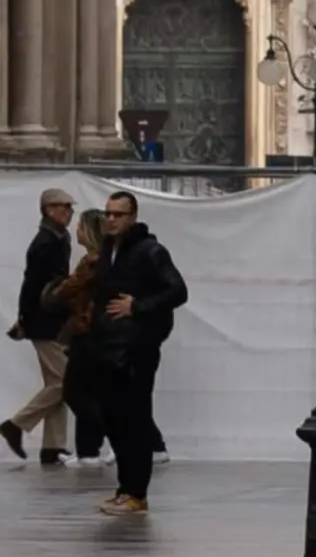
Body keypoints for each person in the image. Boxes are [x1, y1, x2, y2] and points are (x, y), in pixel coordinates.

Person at [91, 189, 188, 516]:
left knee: (135, 419)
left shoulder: (149, 251)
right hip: (109, 346)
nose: (112, 220)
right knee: (114, 419)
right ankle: (124, 488)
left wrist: (139, 306)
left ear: (132, 217)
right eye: (108, 214)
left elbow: (177, 290)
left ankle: (137, 492)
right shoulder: (108, 250)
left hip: (137, 348)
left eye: (118, 214)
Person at [4, 187, 76, 463]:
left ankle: (53, 447)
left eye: (70, 207)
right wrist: (25, 318)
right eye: (62, 207)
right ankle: (15, 425)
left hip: (50, 320)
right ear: (48, 210)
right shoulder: (47, 242)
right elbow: (33, 284)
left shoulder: (57, 238)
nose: (67, 212)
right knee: (67, 380)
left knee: (56, 382)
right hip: (44, 321)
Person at [44, 210, 112, 472]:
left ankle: (108, 431)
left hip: (88, 331)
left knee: (74, 390)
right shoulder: (101, 261)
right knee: (87, 390)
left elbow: (66, 291)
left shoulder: (92, 263)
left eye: (81, 227)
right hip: (88, 330)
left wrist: (52, 293)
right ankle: (88, 452)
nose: (77, 230)